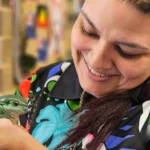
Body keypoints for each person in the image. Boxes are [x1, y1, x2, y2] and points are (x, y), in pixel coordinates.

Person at [0, 0, 150, 149]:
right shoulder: (41, 82)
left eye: (127, 52)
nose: (96, 61)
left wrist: (24, 145)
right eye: (88, 31)